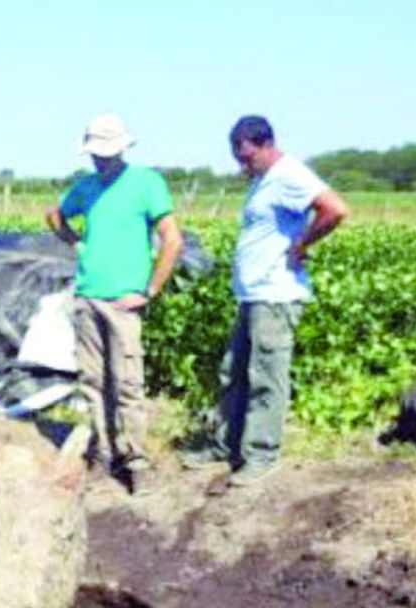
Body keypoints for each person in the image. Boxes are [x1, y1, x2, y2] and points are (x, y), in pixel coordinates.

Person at [182, 115, 350, 486]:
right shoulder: (263, 180)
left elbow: (335, 208)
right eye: (237, 157)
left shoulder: (290, 174)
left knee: (265, 377)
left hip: (275, 295)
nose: (242, 164)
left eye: (245, 156)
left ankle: (262, 454)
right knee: (235, 371)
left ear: (264, 144)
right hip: (253, 294)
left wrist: (303, 243)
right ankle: (228, 445)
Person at [47, 114, 184, 494]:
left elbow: (172, 240)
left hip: (125, 302)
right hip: (89, 295)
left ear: (122, 149)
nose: (100, 161)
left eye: (107, 154)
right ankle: (104, 454)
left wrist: (150, 290)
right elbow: (54, 215)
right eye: (96, 154)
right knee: (93, 381)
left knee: (128, 383)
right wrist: (77, 244)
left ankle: (135, 459)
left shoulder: (146, 183)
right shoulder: (86, 187)